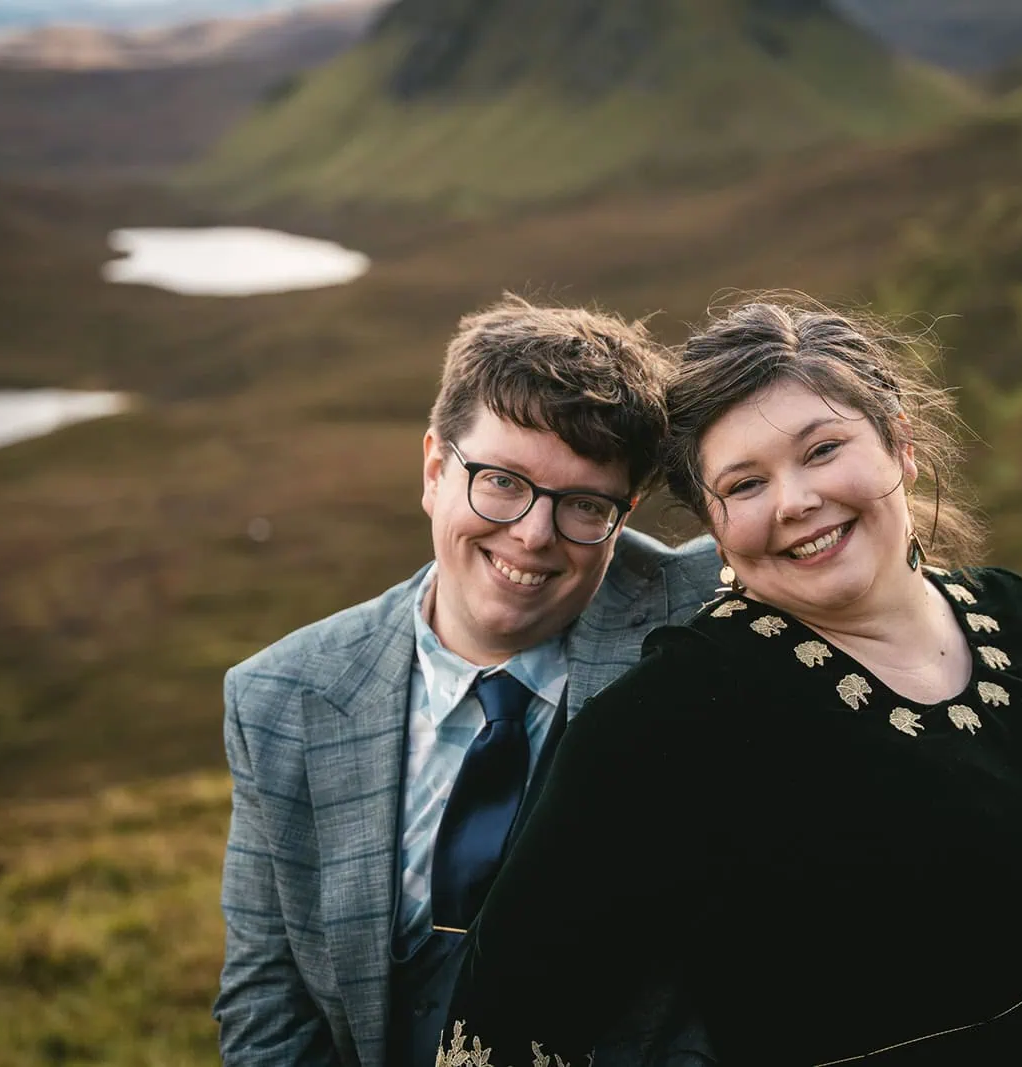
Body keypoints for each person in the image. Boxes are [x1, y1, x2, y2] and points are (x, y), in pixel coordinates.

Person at [438, 300, 1022, 1067]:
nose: (797, 500)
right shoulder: (670, 721)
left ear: (897, 443)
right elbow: (513, 1015)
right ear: (717, 525)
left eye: (821, 449)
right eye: (745, 484)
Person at [213, 296, 723, 1067]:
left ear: (624, 513)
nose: (532, 533)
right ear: (432, 467)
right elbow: (267, 1009)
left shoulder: (702, 619)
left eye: (584, 503)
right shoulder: (282, 698)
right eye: (502, 481)